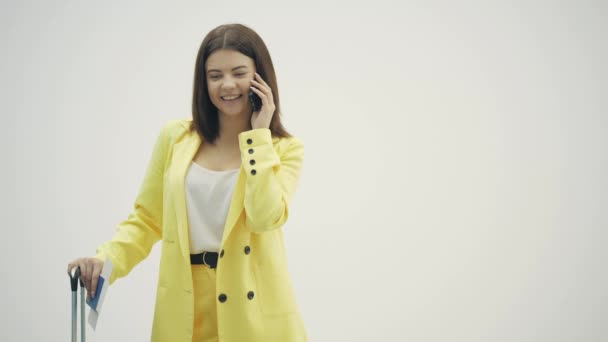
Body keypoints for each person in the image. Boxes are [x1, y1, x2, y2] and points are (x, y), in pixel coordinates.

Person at [67, 23, 308, 342]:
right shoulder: (175, 138)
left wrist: (258, 137)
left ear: (260, 78)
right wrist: (105, 260)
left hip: (254, 317)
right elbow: (148, 219)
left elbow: (265, 217)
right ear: (203, 81)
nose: (228, 85)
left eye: (239, 72)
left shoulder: (282, 149)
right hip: (184, 306)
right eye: (215, 75)